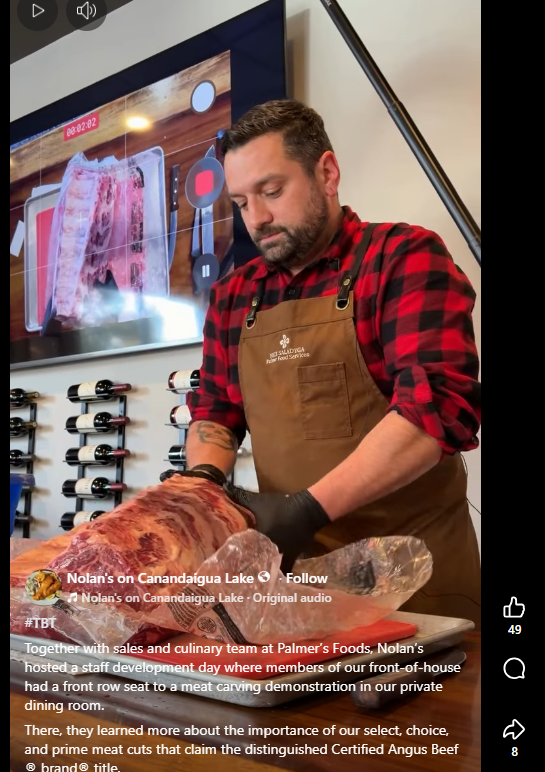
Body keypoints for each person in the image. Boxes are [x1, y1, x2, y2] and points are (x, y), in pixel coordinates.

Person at [181, 99, 481, 624]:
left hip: (416, 585)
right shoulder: (234, 295)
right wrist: (202, 490)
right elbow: (215, 411)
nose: (257, 218)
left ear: (327, 173)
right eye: (242, 202)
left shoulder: (402, 257)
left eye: (272, 191)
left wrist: (307, 510)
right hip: (298, 586)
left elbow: (435, 409)